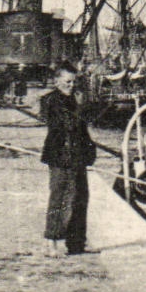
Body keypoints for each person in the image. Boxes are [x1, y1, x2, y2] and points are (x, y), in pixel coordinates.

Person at [39, 64, 96, 256]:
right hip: (60, 156)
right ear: (56, 82)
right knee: (60, 198)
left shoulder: (75, 99)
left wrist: (89, 153)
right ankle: (51, 241)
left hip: (78, 155)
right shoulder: (51, 101)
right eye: (67, 82)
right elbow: (68, 125)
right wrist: (80, 107)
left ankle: (77, 241)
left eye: (74, 81)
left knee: (81, 198)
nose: (71, 85)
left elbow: (83, 128)